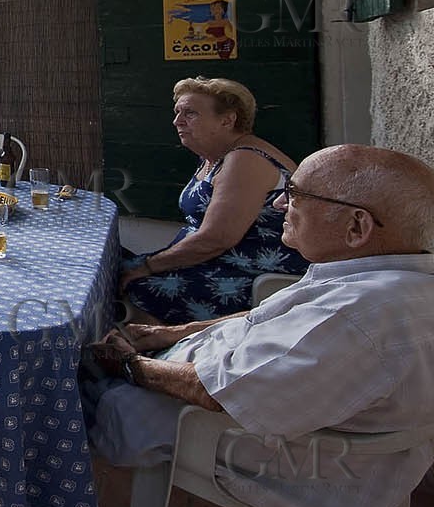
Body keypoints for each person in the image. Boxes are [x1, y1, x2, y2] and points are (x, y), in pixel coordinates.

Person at [87, 144, 434, 507]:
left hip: (286, 463)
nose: (279, 204)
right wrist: (170, 333)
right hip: (282, 420)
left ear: (357, 227)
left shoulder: (354, 318)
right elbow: (264, 316)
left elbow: (213, 391)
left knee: (78, 395)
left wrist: (129, 365)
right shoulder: (418, 278)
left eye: (296, 194)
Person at [120, 77, 302, 323]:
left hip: (251, 276)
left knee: (133, 286)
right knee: (113, 266)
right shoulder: (214, 157)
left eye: (190, 113)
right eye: (177, 112)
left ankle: (156, 345)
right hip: (214, 262)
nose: (177, 121)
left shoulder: (246, 159)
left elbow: (216, 239)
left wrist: (147, 266)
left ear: (227, 120)